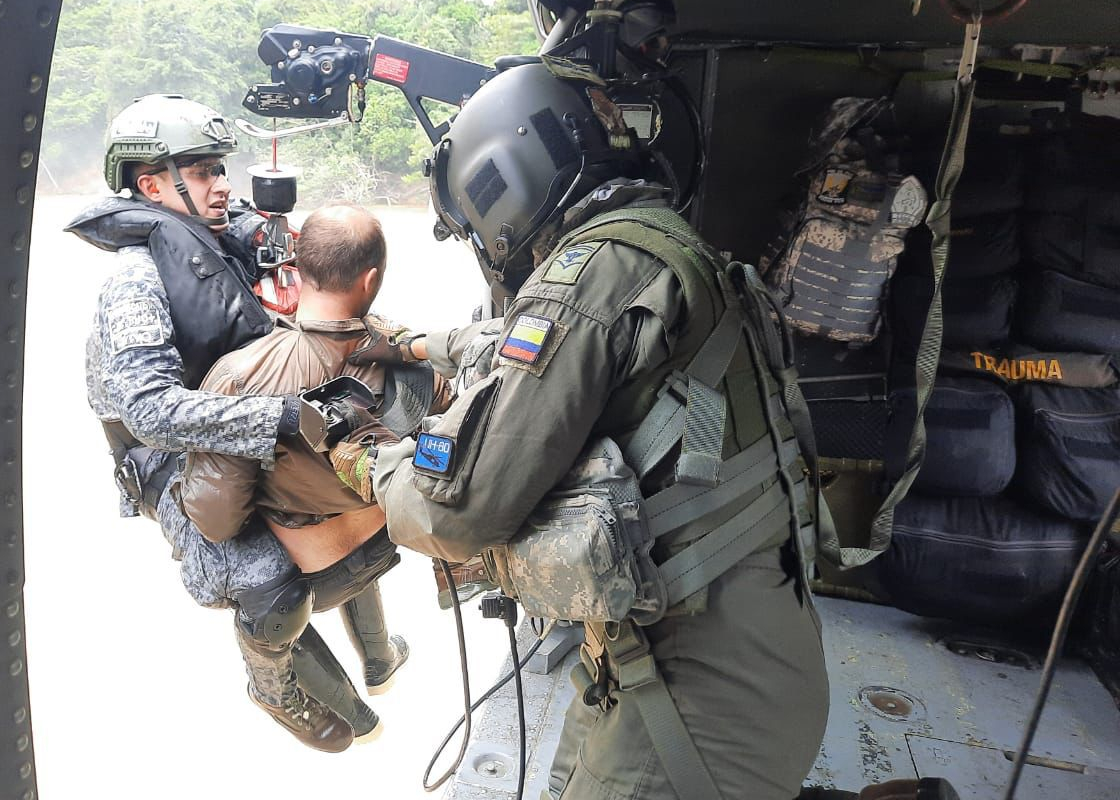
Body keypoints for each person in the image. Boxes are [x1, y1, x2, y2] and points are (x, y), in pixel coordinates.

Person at [340, 62, 831, 800]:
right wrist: (411, 341)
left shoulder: (588, 271)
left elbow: (456, 513)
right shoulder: (654, 245)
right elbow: (527, 347)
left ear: (501, 186)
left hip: (696, 711)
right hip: (736, 666)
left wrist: (370, 462)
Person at [67, 94, 375, 752]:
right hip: (164, 460)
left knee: (359, 493)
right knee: (272, 586)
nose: (223, 184)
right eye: (204, 171)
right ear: (153, 184)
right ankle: (271, 688)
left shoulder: (227, 241)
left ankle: (380, 655)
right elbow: (148, 410)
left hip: (240, 413)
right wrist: (281, 417)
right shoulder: (136, 280)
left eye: (219, 169)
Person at [178, 204, 445, 724]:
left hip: (312, 575)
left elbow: (217, 518)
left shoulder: (240, 376)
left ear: (296, 269)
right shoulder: (410, 351)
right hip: (387, 539)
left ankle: (351, 718)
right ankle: (380, 660)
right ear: (372, 280)